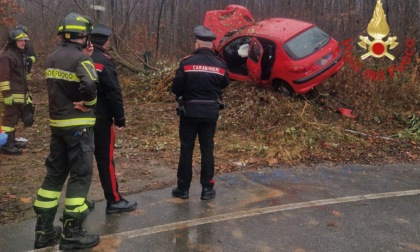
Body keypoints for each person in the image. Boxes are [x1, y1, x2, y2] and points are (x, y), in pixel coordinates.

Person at [32, 13, 100, 250]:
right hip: (78, 127)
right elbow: (90, 84)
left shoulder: (51, 58)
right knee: (80, 176)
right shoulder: (82, 60)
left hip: (57, 126)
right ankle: (72, 232)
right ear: (85, 36)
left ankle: (43, 231)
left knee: (54, 175)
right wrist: (88, 104)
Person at [171, 26, 229, 200]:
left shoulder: (187, 62)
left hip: (189, 112)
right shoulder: (220, 65)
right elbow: (224, 83)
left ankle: (183, 189)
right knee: (207, 149)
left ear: (197, 43)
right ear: (212, 45)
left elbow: (176, 87)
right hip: (210, 112)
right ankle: (207, 189)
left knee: (186, 149)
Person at [89, 24, 137, 214]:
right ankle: (114, 200)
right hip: (100, 119)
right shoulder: (104, 61)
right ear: (106, 42)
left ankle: (77, 203)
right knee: (105, 160)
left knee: (79, 162)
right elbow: (113, 92)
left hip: (76, 118)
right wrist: (120, 118)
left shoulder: (78, 58)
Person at [0, 28, 31, 155]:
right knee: (8, 120)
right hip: (10, 95)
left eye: (24, 40)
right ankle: (6, 144)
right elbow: (3, 76)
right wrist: (6, 94)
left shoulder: (18, 55)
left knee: (13, 119)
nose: (23, 43)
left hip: (18, 95)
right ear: (13, 42)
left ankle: (11, 140)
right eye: (20, 40)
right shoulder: (7, 56)